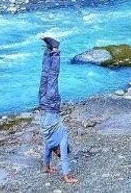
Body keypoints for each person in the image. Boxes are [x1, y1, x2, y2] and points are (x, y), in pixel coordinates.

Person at [39, 36, 78, 184]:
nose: (58, 155)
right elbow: (63, 158)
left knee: (46, 77)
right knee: (49, 78)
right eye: (59, 154)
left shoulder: (51, 144)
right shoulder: (60, 140)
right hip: (47, 106)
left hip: (46, 106)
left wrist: (47, 167)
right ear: (61, 150)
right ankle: (54, 50)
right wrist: (66, 177)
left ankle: (50, 49)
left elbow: (47, 155)